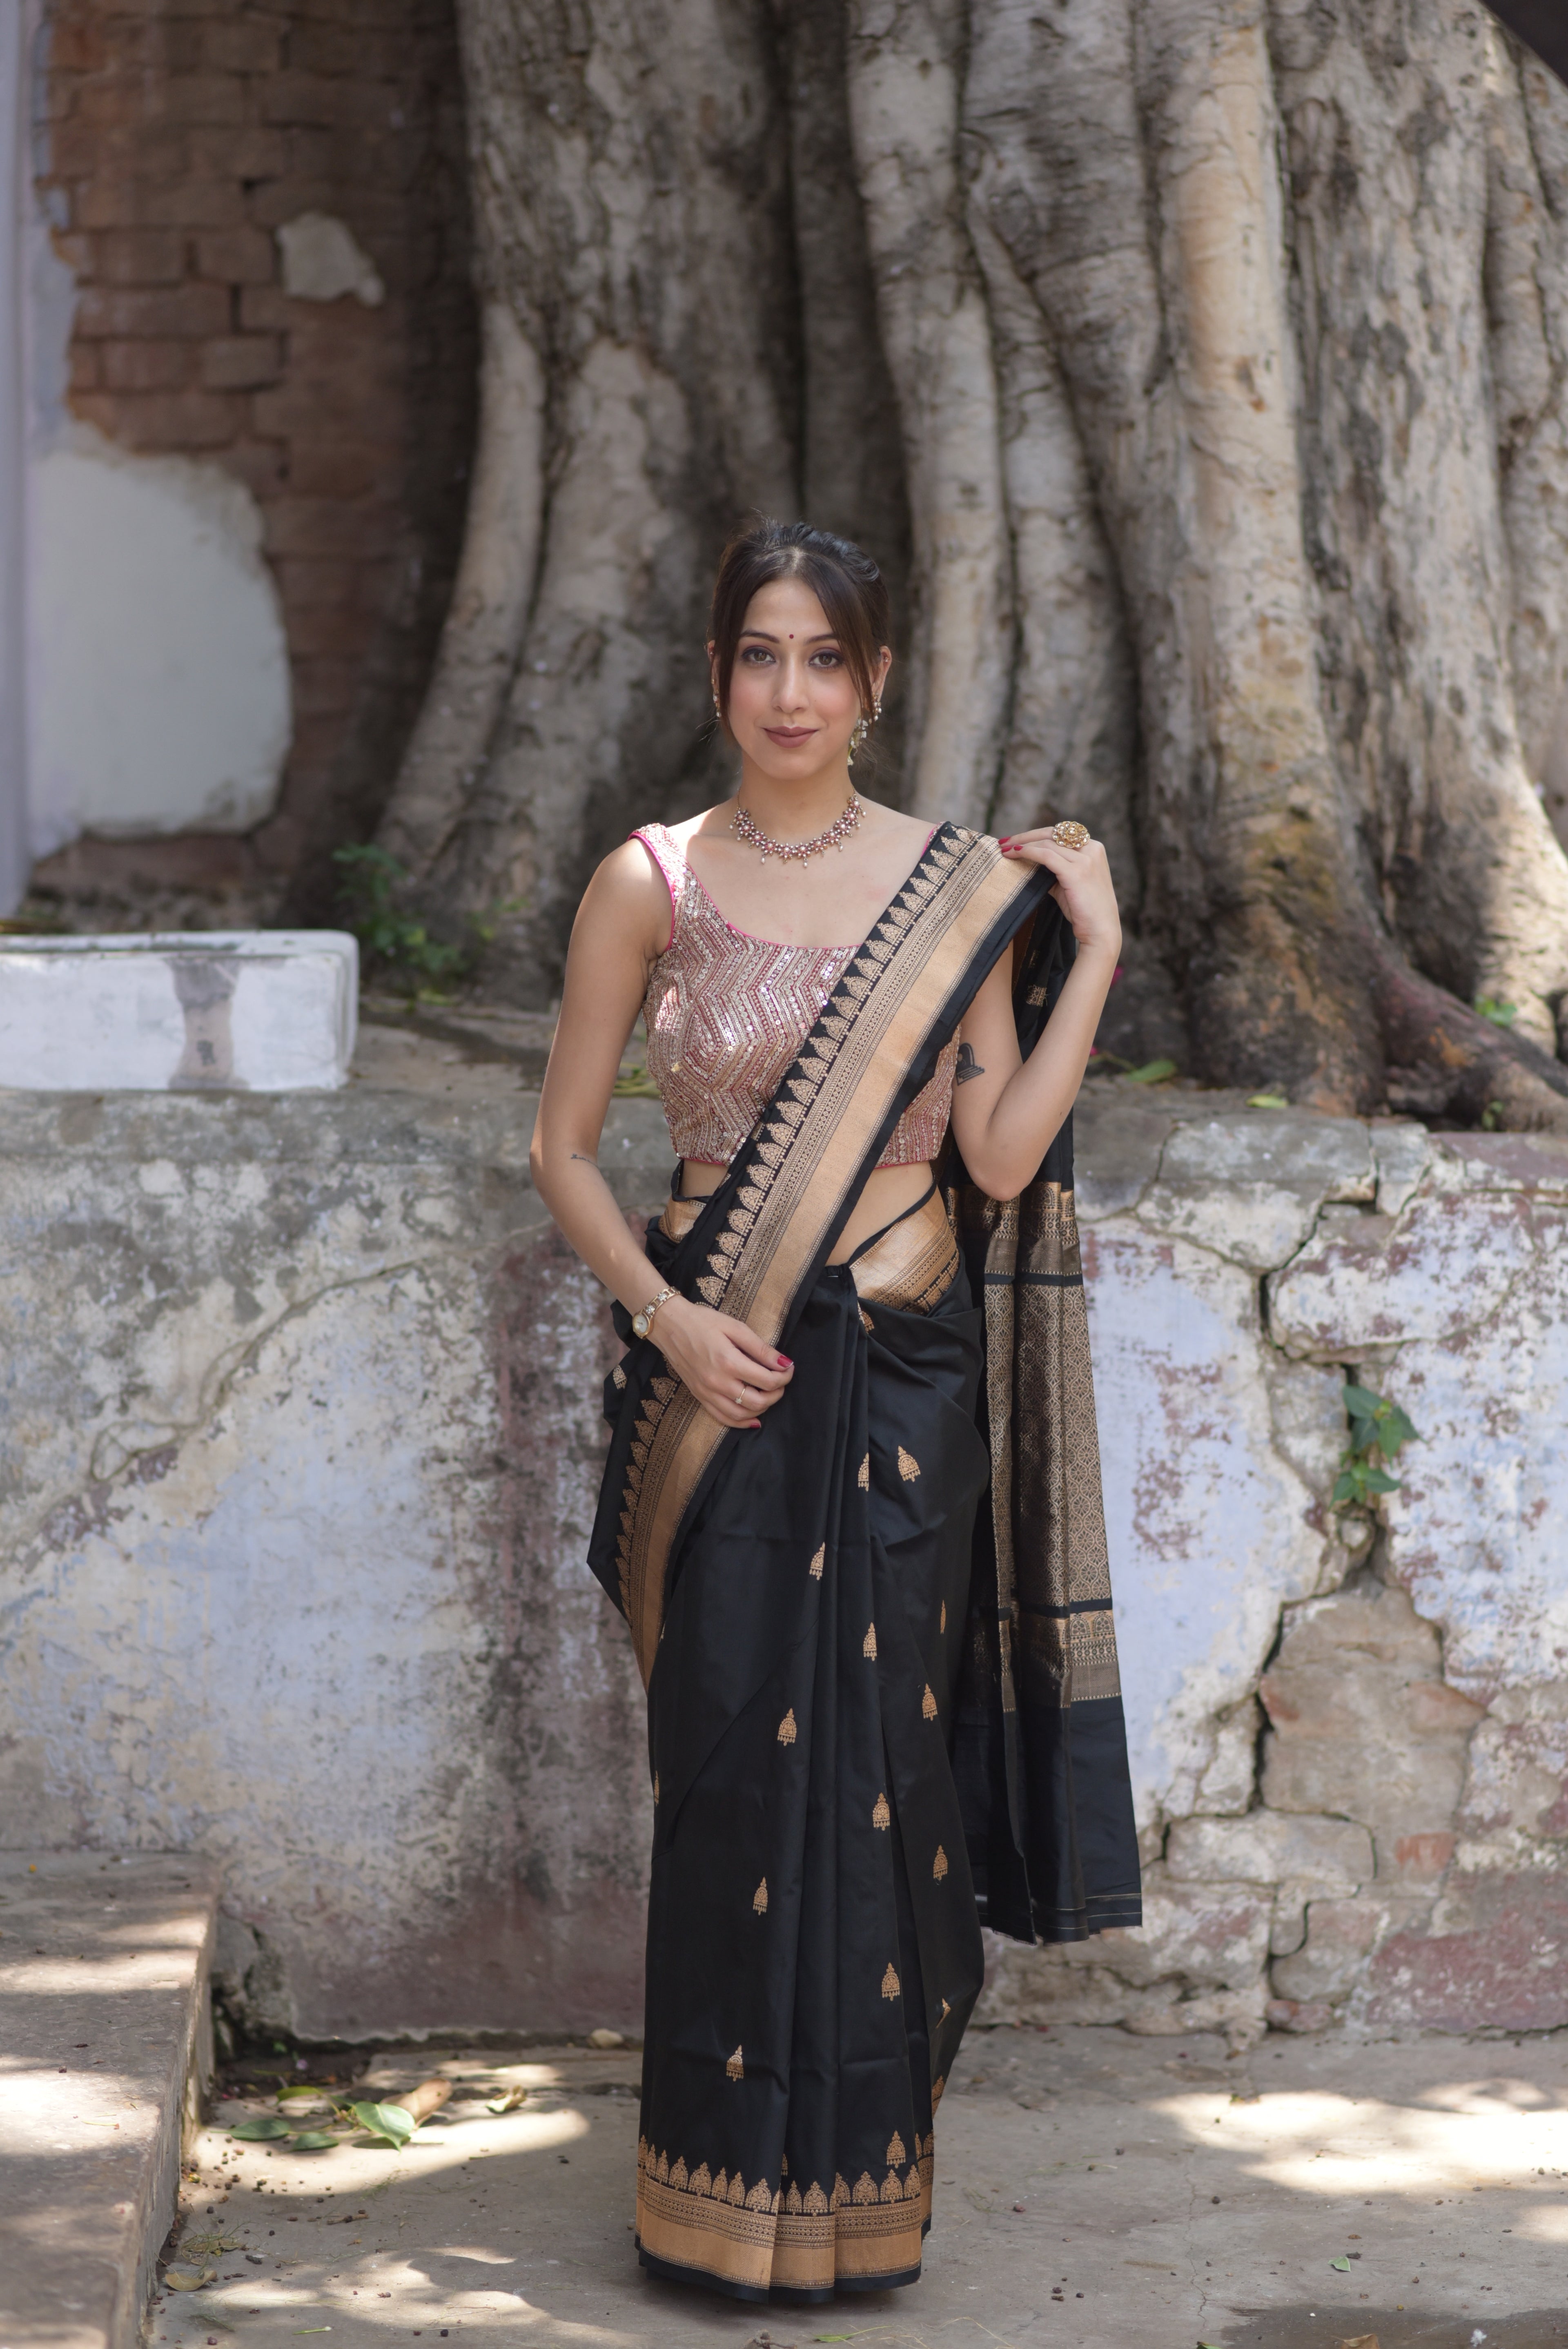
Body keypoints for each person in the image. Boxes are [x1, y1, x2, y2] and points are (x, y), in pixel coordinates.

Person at [531, 517, 1141, 2306]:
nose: (788, 691)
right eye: (759, 655)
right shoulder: (650, 880)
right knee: (727, 1773)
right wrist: (669, 1316)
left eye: (824, 658)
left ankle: (864, 2200)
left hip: (900, 1376)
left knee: (886, 1779)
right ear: (719, 672)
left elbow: (1002, 1156)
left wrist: (1088, 950)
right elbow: (565, 1151)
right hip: (717, 1381)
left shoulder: (950, 889)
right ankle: (707, 2205)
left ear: (873, 683)